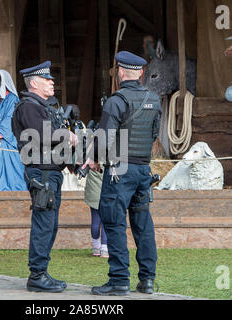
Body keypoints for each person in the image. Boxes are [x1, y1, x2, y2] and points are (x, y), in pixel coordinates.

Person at [84, 51, 162, 296]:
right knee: (143, 225)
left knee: (115, 224)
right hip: (143, 170)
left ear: (120, 72)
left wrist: (94, 158)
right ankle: (147, 280)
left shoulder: (116, 101)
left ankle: (119, 281)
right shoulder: (154, 99)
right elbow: (153, 134)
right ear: (140, 73)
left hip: (120, 170)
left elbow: (104, 136)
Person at [12, 61, 78, 293]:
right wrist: (66, 135)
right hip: (42, 173)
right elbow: (40, 134)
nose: (52, 82)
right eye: (46, 79)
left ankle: (40, 272)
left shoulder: (43, 106)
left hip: (50, 172)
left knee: (49, 224)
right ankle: (37, 275)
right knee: (44, 223)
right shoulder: (29, 106)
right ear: (33, 83)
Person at [84, 167, 108, 258]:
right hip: (106, 192)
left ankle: (96, 247)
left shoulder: (91, 156)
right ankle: (104, 248)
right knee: (106, 221)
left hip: (93, 192)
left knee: (95, 221)